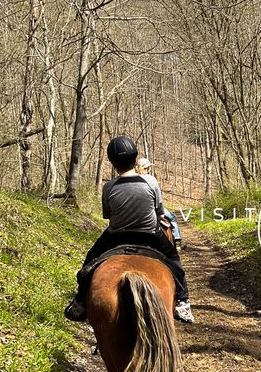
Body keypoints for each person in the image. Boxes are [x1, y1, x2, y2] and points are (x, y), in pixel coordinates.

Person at [64, 135, 194, 323]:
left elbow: (108, 215)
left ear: (113, 163)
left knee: (89, 261)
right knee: (175, 261)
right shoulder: (151, 182)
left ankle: (80, 301)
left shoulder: (108, 187)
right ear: (135, 159)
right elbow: (159, 211)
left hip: (116, 236)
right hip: (150, 234)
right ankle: (183, 302)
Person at [135, 157, 182, 250]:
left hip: (134, 209)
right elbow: (158, 200)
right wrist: (160, 214)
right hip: (151, 208)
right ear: (147, 168)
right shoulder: (152, 179)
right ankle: (177, 240)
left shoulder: (132, 178)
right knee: (173, 218)